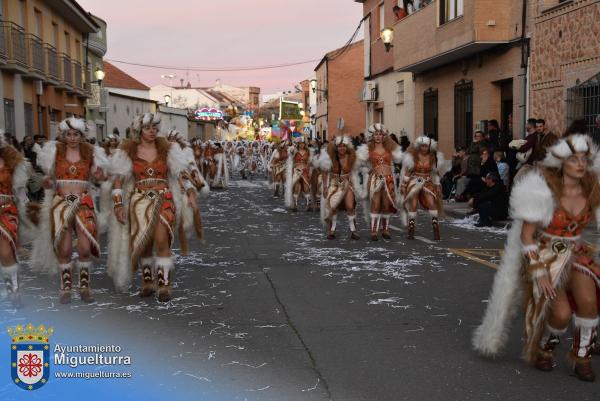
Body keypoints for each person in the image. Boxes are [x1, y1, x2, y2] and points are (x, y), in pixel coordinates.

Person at [473, 134, 600, 382]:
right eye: (574, 159)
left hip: (576, 253)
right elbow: (527, 236)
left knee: (588, 301)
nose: (581, 164)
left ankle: (582, 357)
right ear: (562, 162)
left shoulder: (593, 188)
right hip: (544, 256)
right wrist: (539, 271)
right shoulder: (542, 189)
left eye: (584, 159)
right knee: (561, 314)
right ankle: (545, 347)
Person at [108, 113, 191, 302]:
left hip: (164, 199)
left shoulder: (168, 149)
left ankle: (164, 285)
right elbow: (119, 180)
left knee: (162, 240)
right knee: (144, 243)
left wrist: (190, 192)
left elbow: (180, 174)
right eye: (147, 128)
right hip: (139, 201)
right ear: (139, 130)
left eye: (155, 127)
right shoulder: (128, 151)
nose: (152, 131)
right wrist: (119, 204)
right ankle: (147, 281)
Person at [31, 117, 109, 304]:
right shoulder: (54, 152)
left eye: (76, 134)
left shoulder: (91, 152)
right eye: (69, 134)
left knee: (84, 249)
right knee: (64, 249)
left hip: (84, 202)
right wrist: (47, 182)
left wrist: (100, 177)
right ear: (63, 135)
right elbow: (48, 181)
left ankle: (84, 287)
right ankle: (65, 288)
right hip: (61, 204)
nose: (73, 138)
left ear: (82, 136)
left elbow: (101, 178)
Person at [0, 134, 31, 307]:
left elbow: (19, 191)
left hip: (6, 211)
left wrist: (26, 210)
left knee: (5, 252)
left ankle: (14, 291)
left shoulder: (11, 161)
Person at [318, 135, 365, 240]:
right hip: (334, 184)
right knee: (332, 206)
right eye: (339, 146)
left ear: (347, 147)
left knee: (350, 206)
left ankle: (353, 230)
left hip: (347, 184)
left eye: (344, 146)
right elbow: (325, 172)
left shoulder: (352, 157)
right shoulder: (331, 157)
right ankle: (332, 230)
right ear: (336, 147)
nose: (342, 148)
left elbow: (359, 168)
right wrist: (325, 187)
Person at [400, 136, 446, 240]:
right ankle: (411, 227)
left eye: (426, 146)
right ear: (419, 146)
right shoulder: (413, 156)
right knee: (413, 203)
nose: (424, 148)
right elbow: (408, 171)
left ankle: (435, 227)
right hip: (414, 181)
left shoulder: (433, 157)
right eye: (422, 146)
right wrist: (403, 185)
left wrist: (438, 184)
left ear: (429, 147)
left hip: (427, 182)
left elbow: (435, 172)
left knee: (431, 203)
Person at [364, 124, 403, 240]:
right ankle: (374, 231)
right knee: (375, 204)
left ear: (384, 136)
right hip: (375, 180)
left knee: (386, 205)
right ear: (372, 136)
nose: (378, 136)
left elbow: (399, 159)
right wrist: (368, 170)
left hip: (388, 180)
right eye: (376, 134)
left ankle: (386, 230)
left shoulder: (390, 148)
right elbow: (361, 164)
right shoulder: (368, 149)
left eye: (380, 134)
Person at [285, 137, 313, 212]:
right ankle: (295, 205)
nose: (302, 145)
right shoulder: (294, 151)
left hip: (305, 171)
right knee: (297, 187)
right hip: (296, 171)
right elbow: (290, 157)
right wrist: (292, 148)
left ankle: (308, 205)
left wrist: (309, 170)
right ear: (298, 144)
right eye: (300, 144)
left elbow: (310, 162)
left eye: (303, 143)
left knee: (306, 187)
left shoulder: (309, 152)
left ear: (305, 144)